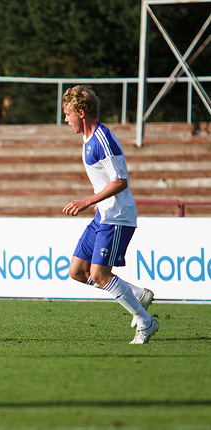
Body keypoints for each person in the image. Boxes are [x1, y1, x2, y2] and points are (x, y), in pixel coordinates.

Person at [61, 85, 158, 344]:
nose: (66, 119)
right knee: (77, 271)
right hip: (102, 215)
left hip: (117, 217)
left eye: (68, 114)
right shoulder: (87, 139)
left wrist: (86, 201)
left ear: (81, 112)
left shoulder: (102, 139)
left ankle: (145, 322)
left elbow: (120, 181)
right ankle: (137, 294)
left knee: (100, 275)